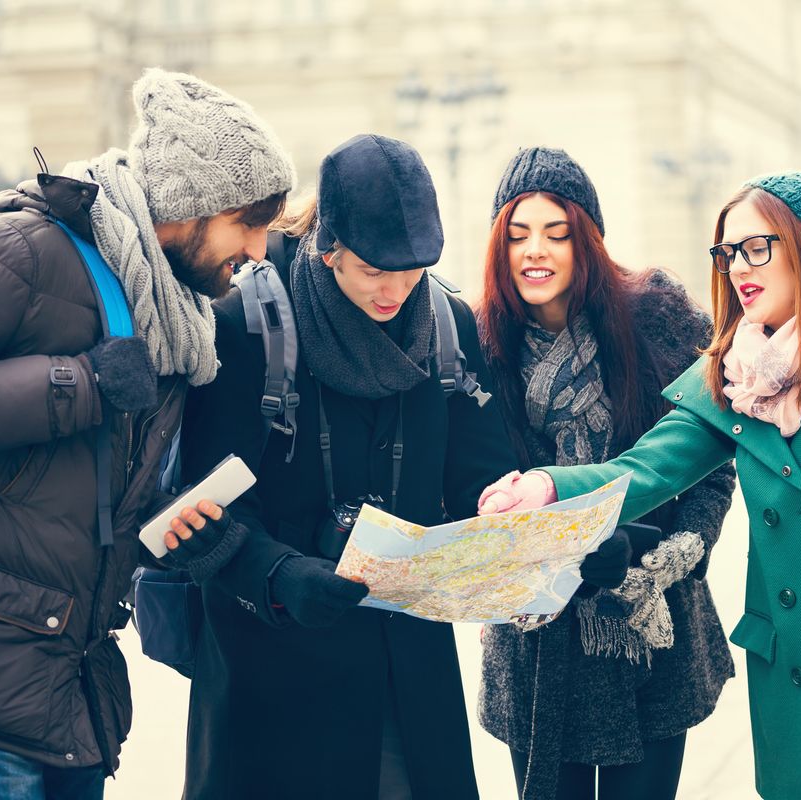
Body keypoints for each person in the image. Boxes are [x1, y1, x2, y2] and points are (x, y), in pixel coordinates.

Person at [479, 172, 801, 800]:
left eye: (757, 247)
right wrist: (546, 489)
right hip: (800, 690)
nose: (737, 269)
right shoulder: (736, 377)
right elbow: (644, 470)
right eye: (727, 254)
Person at [0, 68, 294, 799]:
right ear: (190, 206)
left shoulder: (170, 314)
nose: (257, 247)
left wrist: (176, 535)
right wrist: (80, 385)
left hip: (72, 701)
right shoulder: (30, 251)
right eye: (245, 221)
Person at [176, 134, 529, 799]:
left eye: (415, 266)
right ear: (329, 247)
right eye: (376, 269)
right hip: (270, 676)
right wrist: (279, 576)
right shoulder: (246, 325)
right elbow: (203, 506)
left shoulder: (449, 325)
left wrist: (525, 530)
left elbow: (480, 478)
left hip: (406, 680)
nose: (398, 287)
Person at [473, 147, 737, 800]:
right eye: (518, 234)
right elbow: (478, 483)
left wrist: (666, 557)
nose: (535, 250)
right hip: (538, 647)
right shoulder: (481, 343)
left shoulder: (655, 316)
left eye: (556, 233)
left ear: (587, 240)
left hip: (650, 626)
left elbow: (708, 458)